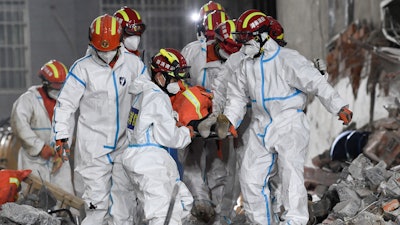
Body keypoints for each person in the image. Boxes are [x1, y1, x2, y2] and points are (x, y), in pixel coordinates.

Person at [217, 9, 353, 225]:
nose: (244, 45)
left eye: (247, 39)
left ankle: (294, 221)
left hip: (288, 123)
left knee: (290, 175)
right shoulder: (245, 65)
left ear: (263, 36)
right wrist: (228, 121)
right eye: (241, 39)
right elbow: (236, 98)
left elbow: (315, 83)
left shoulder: (288, 60)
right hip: (260, 124)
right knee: (250, 178)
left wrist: (339, 107)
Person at [52, 14, 149, 225]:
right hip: (93, 148)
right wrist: (61, 135)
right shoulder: (82, 68)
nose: (105, 53)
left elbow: (148, 98)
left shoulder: (134, 65)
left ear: (120, 42)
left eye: (110, 49)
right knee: (96, 205)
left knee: (124, 205)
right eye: (101, 49)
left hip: (125, 144)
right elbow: (65, 104)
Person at [182, 10, 244, 225]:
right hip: (196, 119)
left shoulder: (238, 57)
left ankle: (221, 215)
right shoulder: (193, 52)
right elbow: (182, 83)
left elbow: (235, 91)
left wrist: (224, 119)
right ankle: (200, 204)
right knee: (192, 161)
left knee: (223, 168)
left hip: (223, 121)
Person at [123, 48, 194, 225]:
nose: (178, 84)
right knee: (164, 215)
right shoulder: (157, 97)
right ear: (160, 76)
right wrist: (188, 132)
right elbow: (170, 137)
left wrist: (173, 119)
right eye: (175, 78)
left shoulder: (143, 92)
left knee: (182, 203)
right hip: (151, 162)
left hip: (143, 158)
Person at [10, 60, 74, 195]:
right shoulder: (28, 100)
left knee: (65, 200)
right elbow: (19, 125)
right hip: (34, 160)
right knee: (33, 199)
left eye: (62, 84)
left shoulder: (66, 103)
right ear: (45, 82)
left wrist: (61, 153)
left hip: (58, 161)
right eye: (56, 84)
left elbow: (69, 129)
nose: (59, 88)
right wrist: (39, 147)